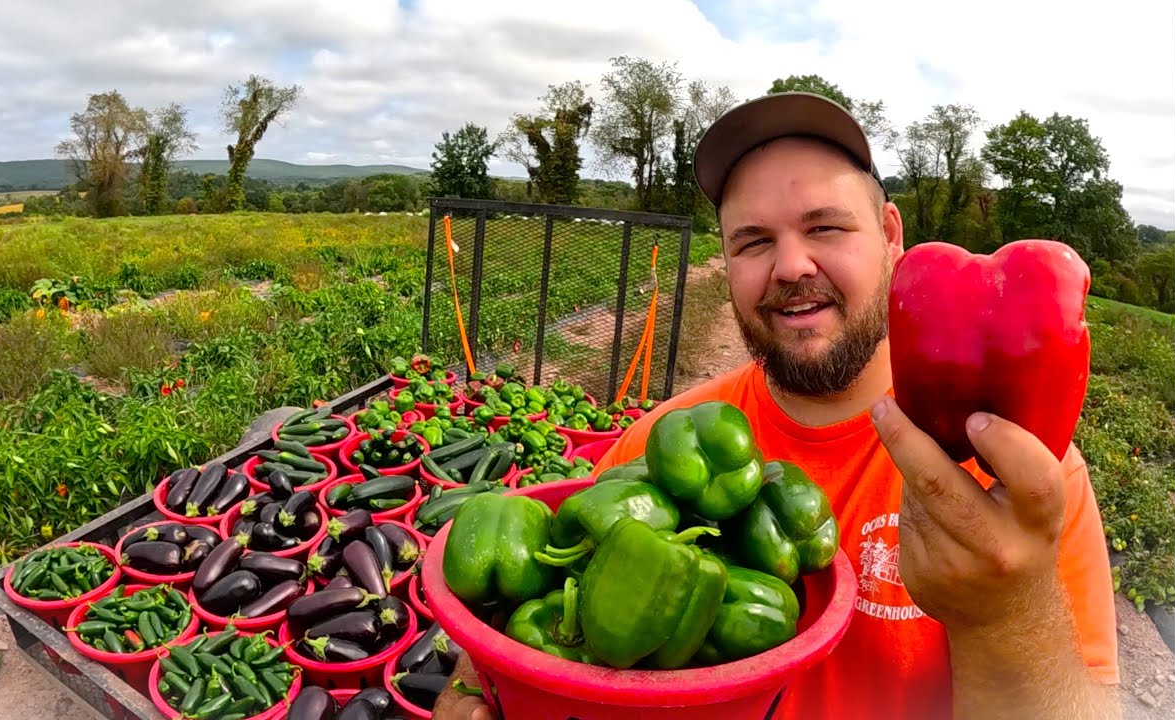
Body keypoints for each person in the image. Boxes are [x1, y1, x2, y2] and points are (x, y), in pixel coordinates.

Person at [432, 91, 1121, 720]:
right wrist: (476, 686)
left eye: (824, 228)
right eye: (755, 241)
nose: (790, 266)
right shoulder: (657, 448)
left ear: (889, 234)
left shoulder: (1022, 477)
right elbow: (524, 619)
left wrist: (1009, 613)